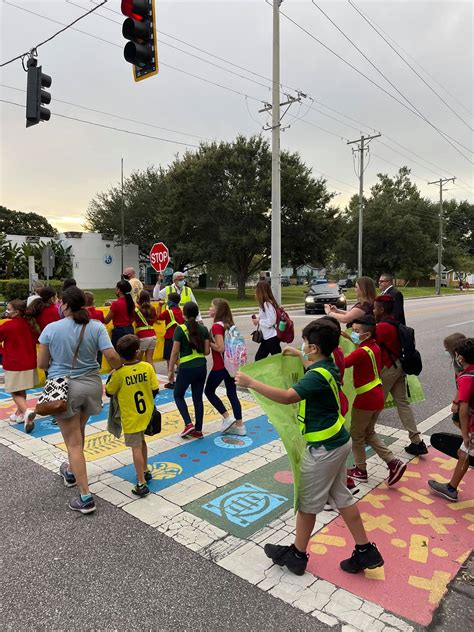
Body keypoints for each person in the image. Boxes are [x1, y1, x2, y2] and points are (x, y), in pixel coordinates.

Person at [235, 319, 384, 576]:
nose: (302, 347)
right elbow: (311, 368)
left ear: (314, 348)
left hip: (324, 449)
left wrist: (251, 383)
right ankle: (365, 550)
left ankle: (297, 554)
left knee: (307, 505)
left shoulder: (315, 375)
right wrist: (299, 355)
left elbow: (288, 396)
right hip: (339, 442)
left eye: (304, 343)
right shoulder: (329, 366)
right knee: (341, 497)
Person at [37, 287, 121, 514]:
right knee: (79, 429)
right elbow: (112, 356)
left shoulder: (51, 329)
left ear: (63, 304)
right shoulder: (96, 326)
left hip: (65, 389)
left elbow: (42, 364)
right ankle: (73, 471)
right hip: (91, 386)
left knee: (73, 442)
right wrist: (120, 371)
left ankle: (85, 497)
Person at [345, 315, 407, 486]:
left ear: (366, 335)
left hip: (365, 399)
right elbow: (360, 347)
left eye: (357, 331)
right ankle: (393, 462)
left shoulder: (360, 352)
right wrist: (349, 337)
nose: (354, 334)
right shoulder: (374, 347)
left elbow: (342, 363)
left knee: (356, 435)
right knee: (369, 432)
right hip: (377, 395)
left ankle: (360, 470)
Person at [105, 335, 159, 497]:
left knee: (135, 447)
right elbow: (155, 389)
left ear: (120, 355)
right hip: (146, 413)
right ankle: (145, 469)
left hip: (131, 417)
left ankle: (141, 482)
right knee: (141, 442)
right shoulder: (147, 367)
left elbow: (109, 391)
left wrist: (113, 374)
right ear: (137, 352)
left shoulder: (119, 374)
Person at [373, 295, 427, 455]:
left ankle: (364, 433)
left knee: (375, 404)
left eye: (375, 308)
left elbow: (367, 344)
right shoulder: (396, 324)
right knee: (402, 403)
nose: (373, 311)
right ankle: (416, 441)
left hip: (387, 369)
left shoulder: (382, 327)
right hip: (399, 368)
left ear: (381, 309)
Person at [428, 338, 474, 501]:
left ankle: (451, 489)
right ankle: (451, 487)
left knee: (464, 452)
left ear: (460, 357)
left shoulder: (467, 377)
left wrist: (466, 434)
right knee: (463, 454)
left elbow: (463, 410)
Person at [169, 301, 210, 439]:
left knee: (178, 395)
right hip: (201, 366)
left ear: (183, 314)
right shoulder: (203, 329)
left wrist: (170, 372)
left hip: (186, 368)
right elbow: (206, 351)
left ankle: (188, 423)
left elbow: (174, 353)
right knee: (197, 398)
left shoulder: (180, 329)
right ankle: (198, 429)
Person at [205, 298, 245, 436]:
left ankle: (227, 417)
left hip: (220, 366)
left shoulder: (217, 326)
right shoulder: (228, 324)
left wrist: (209, 342)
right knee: (231, 393)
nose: (209, 309)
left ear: (217, 311)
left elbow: (220, 347)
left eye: (211, 307)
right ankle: (240, 425)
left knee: (209, 391)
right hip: (231, 366)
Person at [0, 299, 39, 431]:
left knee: (14, 391)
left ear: (16, 312)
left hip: (14, 363)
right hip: (30, 362)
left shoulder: (8, 326)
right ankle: (19, 414)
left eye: (9, 309)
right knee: (22, 389)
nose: (7, 311)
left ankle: (26, 411)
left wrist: (3, 351)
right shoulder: (31, 324)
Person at [156, 291, 184, 389]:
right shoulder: (180, 311)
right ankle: (182, 374)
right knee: (178, 358)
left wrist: (159, 306)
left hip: (170, 338)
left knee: (170, 360)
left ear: (170, 302)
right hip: (179, 338)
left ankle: (171, 381)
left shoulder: (168, 312)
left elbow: (158, 317)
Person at [252, 280, 281, 361]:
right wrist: (258, 318)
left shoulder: (267, 304)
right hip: (267, 337)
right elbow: (267, 317)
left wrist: (258, 321)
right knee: (259, 358)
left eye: (256, 289)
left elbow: (272, 321)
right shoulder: (265, 304)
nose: (255, 291)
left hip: (271, 337)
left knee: (277, 360)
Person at [104, 280, 135, 349]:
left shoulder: (116, 304)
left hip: (119, 332)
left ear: (119, 290)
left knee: (118, 354)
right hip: (130, 329)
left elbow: (106, 320)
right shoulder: (131, 302)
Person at [443, 333, 467, 425]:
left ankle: (468, 437)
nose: (445, 351)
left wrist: (456, 402)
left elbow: (464, 385)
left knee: (458, 419)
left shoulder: (463, 363)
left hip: (466, 395)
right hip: (465, 394)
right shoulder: (458, 360)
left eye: (447, 348)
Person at [134, 290, 157, 367]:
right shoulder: (152, 308)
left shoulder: (137, 310)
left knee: (137, 360)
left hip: (142, 336)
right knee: (149, 359)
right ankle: (153, 377)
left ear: (139, 299)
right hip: (153, 336)